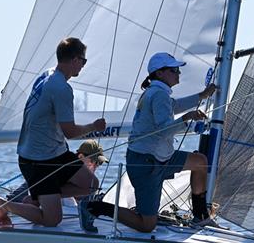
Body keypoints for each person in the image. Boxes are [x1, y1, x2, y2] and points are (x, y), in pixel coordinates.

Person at [79, 52, 216, 233]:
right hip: (147, 163)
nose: (178, 73)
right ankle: (95, 208)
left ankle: (201, 217)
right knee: (146, 225)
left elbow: (174, 106)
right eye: (174, 70)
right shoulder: (158, 94)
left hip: (159, 158)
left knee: (200, 162)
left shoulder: (157, 92)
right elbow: (164, 130)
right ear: (160, 73)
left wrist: (202, 96)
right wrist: (188, 117)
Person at [0, 37, 106, 227]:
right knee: (53, 220)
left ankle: (39, 196)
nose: (83, 66)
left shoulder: (47, 75)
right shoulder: (61, 88)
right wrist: (94, 127)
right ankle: (5, 206)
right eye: (84, 61)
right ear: (75, 60)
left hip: (55, 153)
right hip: (37, 161)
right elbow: (70, 132)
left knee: (91, 184)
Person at [1, 140, 109, 205]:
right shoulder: (59, 173)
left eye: (99, 164)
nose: (96, 167)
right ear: (80, 157)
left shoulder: (89, 183)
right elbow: (17, 196)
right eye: (94, 162)